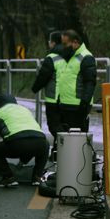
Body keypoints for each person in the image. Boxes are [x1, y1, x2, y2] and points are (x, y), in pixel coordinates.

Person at [0, 94, 49, 187]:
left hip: (17, 143)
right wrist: (23, 161)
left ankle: (8, 178)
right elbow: (29, 134)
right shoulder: (24, 110)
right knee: (44, 146)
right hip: (40, 141)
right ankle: (37, 177)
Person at [31, 31, 71, 160]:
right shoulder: (70, 55)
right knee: (63, 124)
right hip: (69, 98)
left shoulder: (52, 58)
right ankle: (57, 153)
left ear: (53, 42)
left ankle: (64, 150)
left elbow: (43, 76)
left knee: (54, 126)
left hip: (54, 98)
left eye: (49, 41)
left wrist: (34, 89)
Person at [58, 29, 96, 132]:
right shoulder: (71, 57)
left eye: (65, 44)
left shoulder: (86, 57)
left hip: (77, 107)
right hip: (65, 105)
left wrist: (84, 104)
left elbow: (90, 83)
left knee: (77, 141)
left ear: (75, 42)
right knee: (66, 141)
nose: (63, 47)